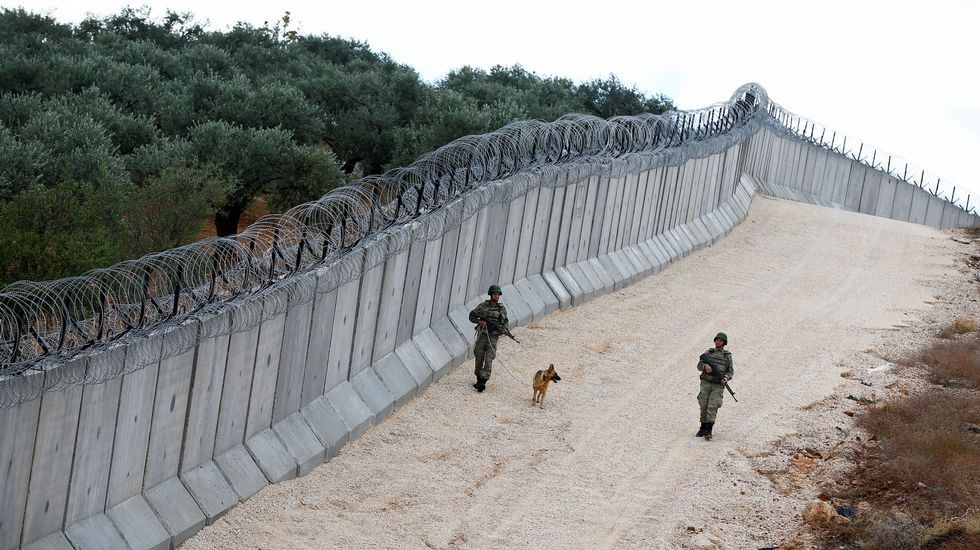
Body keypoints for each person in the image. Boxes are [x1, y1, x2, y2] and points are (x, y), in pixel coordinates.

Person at [468, 285, 509, 392]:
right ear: (490, 294)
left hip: (493, 338)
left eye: (498, 295)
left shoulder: (501, 309)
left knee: (489, 359)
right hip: (482, 336)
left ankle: (483, 381)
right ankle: (478, 377)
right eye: (495, 294)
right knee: (479, 357)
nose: (496, 296)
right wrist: (479, 321)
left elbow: (505, 322)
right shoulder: (482, 306)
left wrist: (504, 330)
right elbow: (472, 316)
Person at [696, 332, 734, 439]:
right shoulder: (708, 352)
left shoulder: (727, 356)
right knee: (703, 404)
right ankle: (702, 427)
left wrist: (725, 378)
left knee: (713, 406)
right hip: (706, 382)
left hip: (718, 385)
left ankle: (708, 430)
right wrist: (705, 366)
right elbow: (699, 365)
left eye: (721, 341)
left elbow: (730, 371)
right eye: (717, 340)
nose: (718, 342)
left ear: (724, 343)